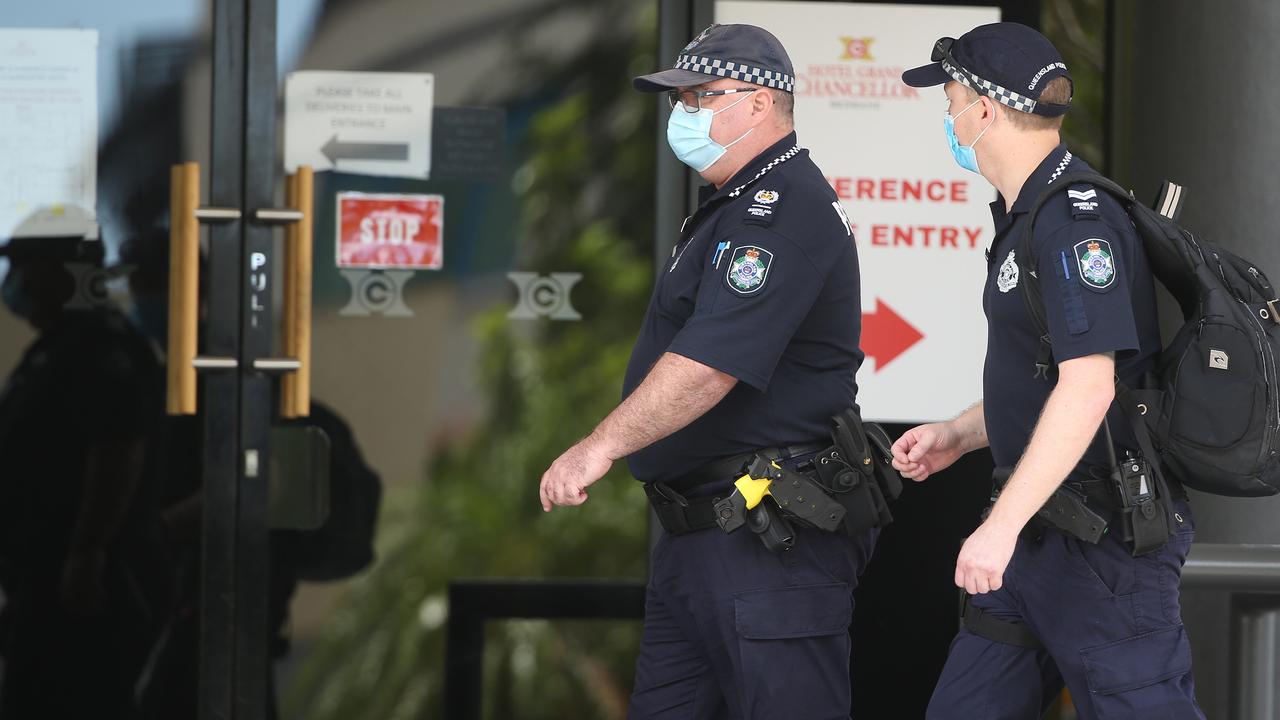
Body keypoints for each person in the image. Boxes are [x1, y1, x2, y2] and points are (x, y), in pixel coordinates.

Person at [537, 22, 873, 718]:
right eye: (678, 102)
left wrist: (598, 447)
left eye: (698, 98)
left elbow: (710, 366)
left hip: (765, 538)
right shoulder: (730, 208)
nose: (682, 116)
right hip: (706, 537)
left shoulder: (782, 209)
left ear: (756, 103)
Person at [893, 22, 1203, 719]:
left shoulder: (1074, 220)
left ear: (984, 109)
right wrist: (959, 433)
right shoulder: (1028, 216)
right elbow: (1045, 375)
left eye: (950, 101)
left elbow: (1092, 386)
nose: (947, 117)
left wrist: (998, 528)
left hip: (1100, 543)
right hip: (1038, 534)